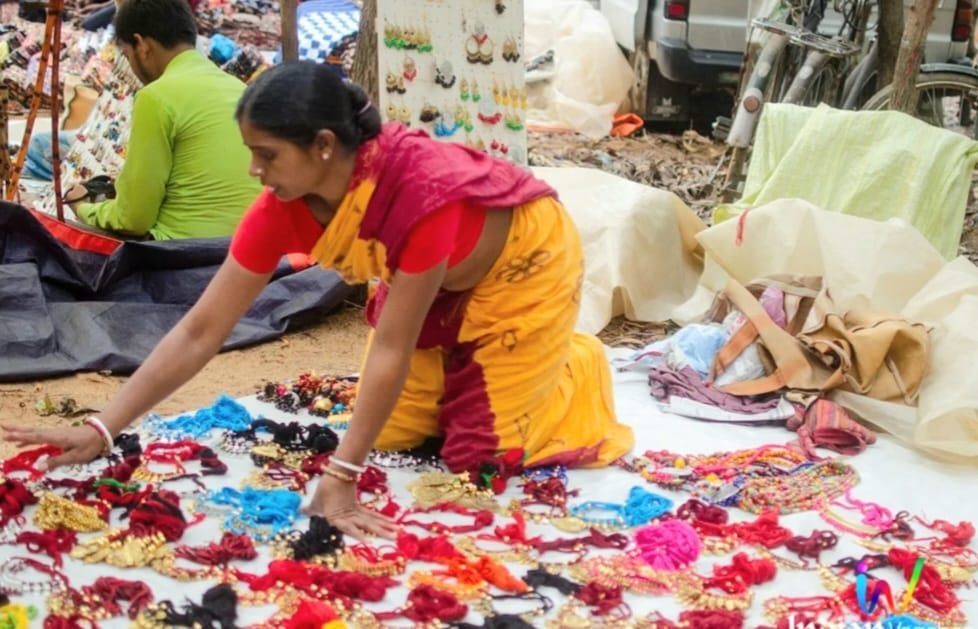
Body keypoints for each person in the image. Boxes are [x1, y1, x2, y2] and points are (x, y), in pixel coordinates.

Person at [3, 61, 635, 540]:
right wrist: (103, 425)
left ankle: (573, 367)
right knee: (396, 434)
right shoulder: (278, 210)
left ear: (325, 146)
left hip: (522, 267)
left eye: (266, 153)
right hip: (431, 281)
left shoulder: (421, 199)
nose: (254, 170)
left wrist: (342, 480)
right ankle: (498, 368)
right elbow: (202, 329)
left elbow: (391, 343)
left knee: (477, 456)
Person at [63, 0, 262, 240]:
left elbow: (133, 220)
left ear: (142, 45)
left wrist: (83, 207)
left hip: (182, 256)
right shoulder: (240, 90)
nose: (131, 66)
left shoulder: (155, 97)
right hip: (247, 248)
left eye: (127, 55)